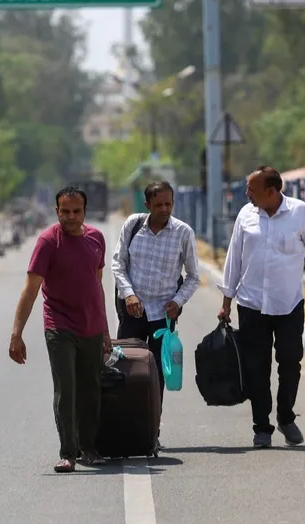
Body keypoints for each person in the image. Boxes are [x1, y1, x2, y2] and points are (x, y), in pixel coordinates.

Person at [216, 166, 305, 449]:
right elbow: (234, 258)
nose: (247, 194)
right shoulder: (246, 215)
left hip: (288, 304)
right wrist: (226, 301)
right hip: (252, 305)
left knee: (290, 362)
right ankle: (262, 427)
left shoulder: (300, 212)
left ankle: (286, 417)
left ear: (271, 192)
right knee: (256, 368)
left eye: (252, 190)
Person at [8, 186, 111, 473]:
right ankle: (68, 452)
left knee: (90, 388)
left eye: (76, 211)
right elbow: (30, 289)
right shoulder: (47, 242)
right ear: (57, 211)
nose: (70, 217)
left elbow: (97, 285)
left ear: (85, 212)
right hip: (59, 324)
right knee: (66, 388)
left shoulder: (96, 239)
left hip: (91, 325)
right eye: (65, 211)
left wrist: (104, 329)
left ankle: (89, 447)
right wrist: (16, 334)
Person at [110, 181, 200, 451]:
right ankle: (124, 429)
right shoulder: (133, 225)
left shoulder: (183, 232)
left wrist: (178, 301)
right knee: (125, 369)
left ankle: (151, 431)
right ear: (147, 204)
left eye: (168, 204)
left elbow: (193, 277)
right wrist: (129, 295)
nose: (164, 209)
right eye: (158, 204)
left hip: (164, 316)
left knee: (156, 374)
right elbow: (118, 263)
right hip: (133, 311)